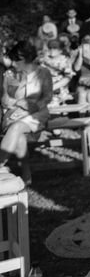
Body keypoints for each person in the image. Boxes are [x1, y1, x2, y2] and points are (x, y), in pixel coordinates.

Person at [0, 41, 53, 182]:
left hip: (38, 115)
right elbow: (4, 99)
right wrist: (17, 104)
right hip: (13, 113)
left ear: (26, 59)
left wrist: (30, 108)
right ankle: (26, 173)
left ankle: (0, 165)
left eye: (16, 60)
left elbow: (48, 97)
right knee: (18, 133)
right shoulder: (9, 74)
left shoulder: (43, 73)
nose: (13, 63)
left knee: (16, 127)